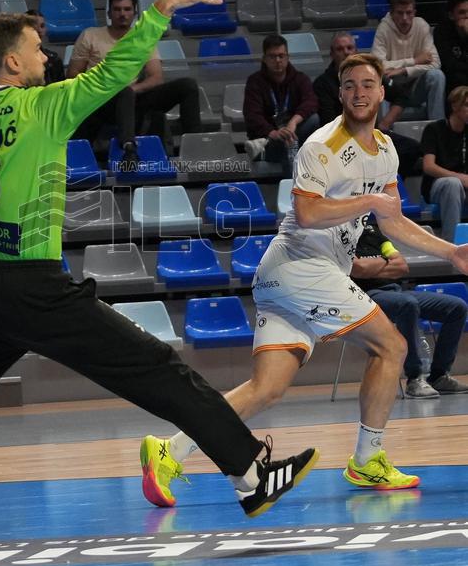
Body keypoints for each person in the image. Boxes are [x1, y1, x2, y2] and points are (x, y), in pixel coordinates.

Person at [0, 0, 319, 565]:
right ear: (12, 62)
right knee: (157, 368)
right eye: (35, 49)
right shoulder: (43, 108)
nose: (46, 56)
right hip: (34, 288)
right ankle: (251, 476)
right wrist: (162, 8)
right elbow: (116, 72)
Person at [141, 52, 468, 506]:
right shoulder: (321, 146)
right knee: (391, 346)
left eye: (367, 84)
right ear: (340, 93)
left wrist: (450, 252)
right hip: (301, 267)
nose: (358, 92)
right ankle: (368, 460)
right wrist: (368, 203)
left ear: (381, 91)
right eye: (349, 85)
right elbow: (309, 213)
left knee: (266, 389)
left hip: (291, 277)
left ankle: (169, 450)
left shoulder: (386, 150)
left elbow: (392, 220)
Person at [67, 0, 201, 169]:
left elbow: (156, 77)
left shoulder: (142, 39)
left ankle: (196, 146)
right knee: (123, 92)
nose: (122, 14)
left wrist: (132, 89)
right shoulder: (90, 35)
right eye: (117, 9)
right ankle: (129, 150)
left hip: (133, 97)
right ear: (109, 13)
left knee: (188, 86)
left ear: (134, 13)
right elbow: (73, 74)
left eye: (127, 9)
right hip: (100, 100)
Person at [353, 222, 468, 397]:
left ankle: (439, 376)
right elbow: (358, 269)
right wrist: (386, 263)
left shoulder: (372, 230)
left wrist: (373, 266)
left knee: (457, 307)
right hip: (364, 296)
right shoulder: (339, 235)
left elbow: (401, 266)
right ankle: (415, 378)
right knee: (407, 304)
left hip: (395, 291)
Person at [313, 32, 420, 177]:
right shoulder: (322, 84)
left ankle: (389, 182)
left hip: (373, 134)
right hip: (342, 139)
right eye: (340, 49)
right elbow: (329, 122)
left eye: (350, 48)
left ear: (356, 52)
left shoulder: (371, 75)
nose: (346, 52)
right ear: (331, 54)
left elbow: (402, 95)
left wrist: (385, 123)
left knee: (411, 148)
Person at [243, 34, 319, 177]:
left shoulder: (300, 78)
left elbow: (311, 102)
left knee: (313, 120)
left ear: (288, 57)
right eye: (272, 56)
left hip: (294, 133)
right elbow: (252, 115)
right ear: (264, 59)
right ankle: (293, 183)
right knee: (287, 144)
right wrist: (274, 133)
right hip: (269, 137)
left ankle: (272, 153)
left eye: (281, 56)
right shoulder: (254, 82)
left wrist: (293, 123)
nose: (278, 60)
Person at [372, 0, 445, 130]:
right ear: (392, 13)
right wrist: (414, 61)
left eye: (409, 13)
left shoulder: (422, 26)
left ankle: (438, 130)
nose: (405, 18)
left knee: (437, 76)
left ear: (414, 12)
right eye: (400, 13)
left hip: (416, 87)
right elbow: (377, 66)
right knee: (379, 79)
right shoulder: (384, 29)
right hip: (392, 90)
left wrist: (404, 70)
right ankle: (384, 133)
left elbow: (436, 63)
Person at [421, 84, 468, 241]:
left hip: (464, 185)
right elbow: (428, 166)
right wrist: (459, 177)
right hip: (438, 185)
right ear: (455, 106)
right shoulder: (434, 129)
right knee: (452, 183)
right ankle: (452, 245)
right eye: (467, 105)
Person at [433, 0, 468, 97]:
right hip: (454, 85)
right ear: (451, 15)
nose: (467, 16)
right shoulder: (442, 31)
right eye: (462, 12)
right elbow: (449, 66)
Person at [28, 9, 65, 85]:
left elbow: (61, 87)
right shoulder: (16, 60)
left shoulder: (54, 59)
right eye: (33, 27)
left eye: (42, 26)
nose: (39, 30)